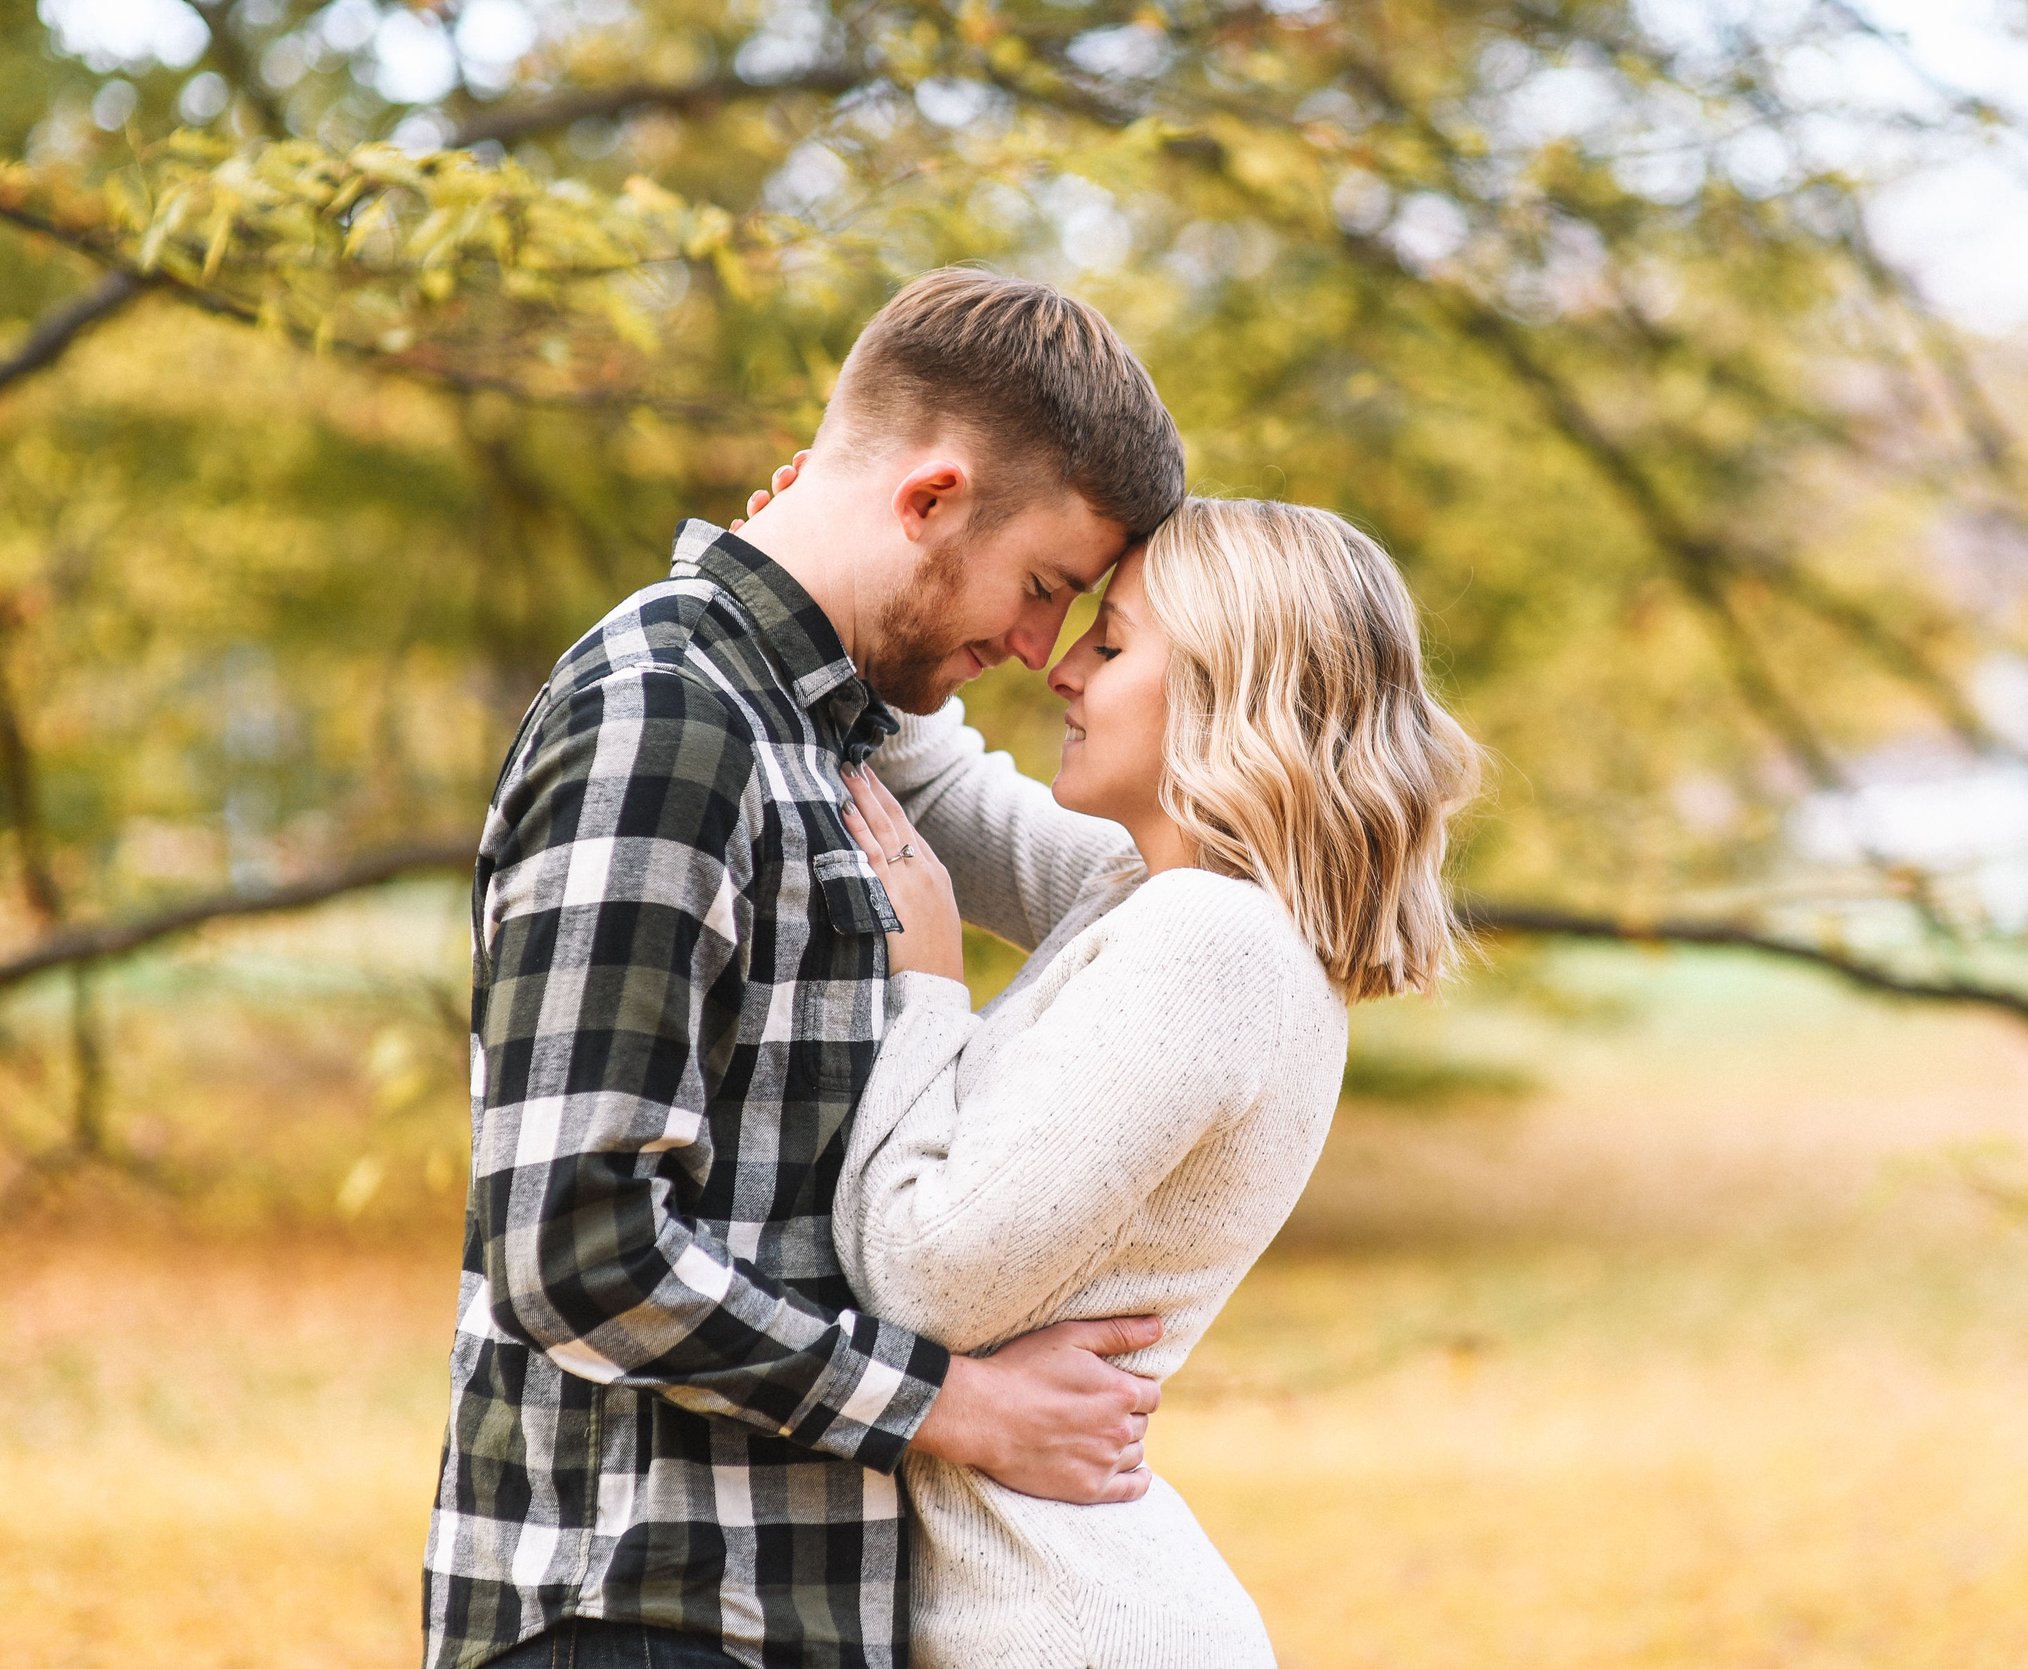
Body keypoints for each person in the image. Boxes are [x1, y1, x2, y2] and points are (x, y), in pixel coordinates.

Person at [424, 269, 1192, 1669]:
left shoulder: (820, 727)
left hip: (769, 1615)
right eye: (1043, 589)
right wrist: (954, 1406)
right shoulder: (667, 711)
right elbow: (574, 1248)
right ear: (930, 496)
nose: (1038, 648)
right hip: (633, 1612)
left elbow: (1128, 871)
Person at [829, 495, 1481, 1666]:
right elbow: (939, 802)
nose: (1062, 669)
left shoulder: (1214, 946)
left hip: (1060, 1626)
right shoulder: (1158, 902)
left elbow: (922, 1278)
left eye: (1113, 642)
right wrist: (845, 564)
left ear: (1236, 694)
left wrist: (924, 987)